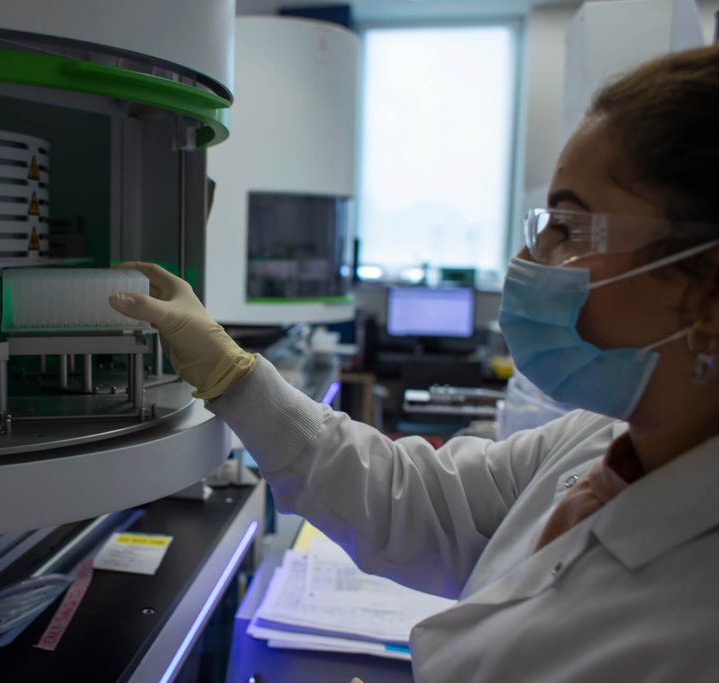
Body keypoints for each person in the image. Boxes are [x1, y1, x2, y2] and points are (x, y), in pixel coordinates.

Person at [109, 45, 719, 681]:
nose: (530, 260)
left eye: (568, 228)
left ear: (709, 289)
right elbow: (413, 499)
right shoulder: (603, 440)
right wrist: (232, 374)